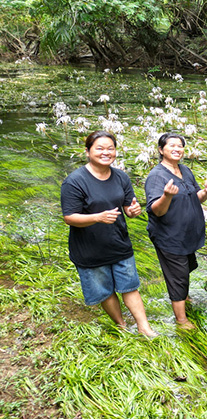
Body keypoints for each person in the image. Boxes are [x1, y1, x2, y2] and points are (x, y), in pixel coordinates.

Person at [60, 131, 156, 337]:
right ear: (87, 151)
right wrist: (98, 217)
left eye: (110, 148)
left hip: (119, 242)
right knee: (105, 291)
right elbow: (69, 217)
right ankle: (121, 325)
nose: (106, 152)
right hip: (89, 248)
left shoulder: (120, 176)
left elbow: (128, 207)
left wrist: (133, 211)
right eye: (100, 148)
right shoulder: (75, 181)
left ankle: (144, 327)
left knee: (130, 286)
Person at [145, 132, 207, 329]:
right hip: (170, 236)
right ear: (161, 150)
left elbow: (195, 197)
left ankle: (184, 297)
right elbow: (156, 210)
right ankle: (181, 320)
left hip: (188, 234)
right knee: (177, 276)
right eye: (172, 146)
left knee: (186, 268)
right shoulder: (156, 176)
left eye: (180, 146)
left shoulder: (184, 170)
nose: (177, 149)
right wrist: (167, 195)